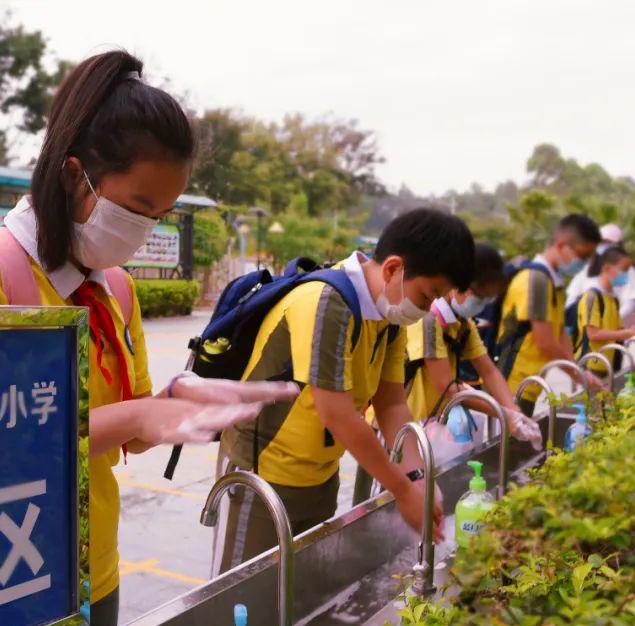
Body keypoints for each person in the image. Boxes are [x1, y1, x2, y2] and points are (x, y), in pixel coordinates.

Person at [0, 50, 298, 626]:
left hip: (94, 566)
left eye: (159, 215)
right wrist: (139, 413)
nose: (145, 228)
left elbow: (129, 429)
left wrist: (182, 408)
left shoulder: (115, 290)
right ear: (76, 175)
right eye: (138, 205)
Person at [211, 208, 476, 575]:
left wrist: (418, 478)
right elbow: (336, 414)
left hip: (319, 475)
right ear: (393, 269)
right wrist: (402, 490)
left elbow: (392, 403)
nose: (427, 308)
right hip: (262, 476)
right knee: (241, 600)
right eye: (427, 294)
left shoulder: (389, 317)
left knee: (297, 590)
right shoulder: (327, 301)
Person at [406, 243, 542, 447]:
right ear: (456, 284)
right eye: (478, 296)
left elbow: (488, 371)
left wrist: (515, 412)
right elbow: (446, 386)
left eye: (487, 300)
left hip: (432, 422)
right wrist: (503, 414)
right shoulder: (429, 320)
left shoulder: (463, 324)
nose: (480, 304)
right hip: (406, 421)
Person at [496, 214, 604, 415]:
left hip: (530, 384)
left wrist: (578, 372)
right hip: (513, 385)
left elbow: (560, 334)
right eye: (581, 256)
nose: (583, 263)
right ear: (562, 245)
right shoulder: (536, 280)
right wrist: (579, 375)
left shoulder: (554, 282)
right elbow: (545, 341)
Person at [573, 246, 635, 369]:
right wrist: (625, 333)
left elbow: (615, 331)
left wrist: (631, 333)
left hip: (608, 366)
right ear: (607, 268)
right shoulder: (592, 297)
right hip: (590, 367)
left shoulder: (613, 299)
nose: (626, 275)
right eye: (623, 270)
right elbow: (593, 334)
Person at [565, 222, 635, 318]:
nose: (603, 245)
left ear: (617, 244)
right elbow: (571, 299)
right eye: (600, 242)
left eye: (607, 242)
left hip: (612, 325)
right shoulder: (586, 268)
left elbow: (629, 304)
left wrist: (611, 323)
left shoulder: (627, 270)